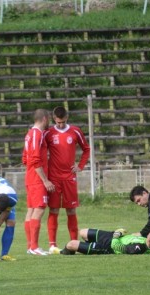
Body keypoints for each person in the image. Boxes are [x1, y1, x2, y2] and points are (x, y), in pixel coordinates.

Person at [45, 106, 91, 254]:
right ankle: (52, 245)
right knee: (54, 209)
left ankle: (74, 243)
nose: (60, 125)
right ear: (54, 119)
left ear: (67, 118)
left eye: (63, 122)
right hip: (54, 177)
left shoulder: (75, 131)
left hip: (69, 177)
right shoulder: (49, 133)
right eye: (58, 122)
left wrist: (80, 165)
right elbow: (41, 151)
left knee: (71, 209)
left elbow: (86, 149)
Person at [22, 109, 55, 256]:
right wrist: (45, 180)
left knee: (31, 210)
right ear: (45, 118)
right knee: (40, 209)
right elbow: (35, 159)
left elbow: (25, 158)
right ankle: (34, 247)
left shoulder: (29, 134)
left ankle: (30, 247)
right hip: (37, 179)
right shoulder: (37, 134)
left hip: (30, 176)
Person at [61, 228, 150, 255]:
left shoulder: (140, 248)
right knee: (83, 232)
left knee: (71, 244)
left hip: (108, 247)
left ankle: (64, 251)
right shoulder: (147, 241)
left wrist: (117, 235)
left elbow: (116, 246)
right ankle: (86, 246)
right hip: (112, 236)